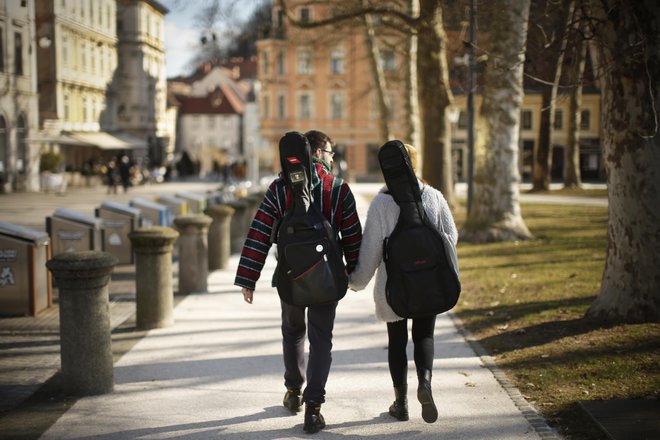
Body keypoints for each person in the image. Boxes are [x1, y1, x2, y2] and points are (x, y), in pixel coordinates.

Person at [234, 130, 362, 434]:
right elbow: (354, 236)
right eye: (330, 153)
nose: (332, 159)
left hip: (290, 279)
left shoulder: (279, 189)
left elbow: (260, 233)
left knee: (292, 331)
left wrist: (248, 278)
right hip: (327, 279)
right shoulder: (338, 189)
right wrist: (355, 273)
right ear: (318, 153)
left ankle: (293, 392)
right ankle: (314, 407)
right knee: (321, 341)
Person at [348, 143, 458, 424]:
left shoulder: (382, 202)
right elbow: (451, 236)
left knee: (396, 342)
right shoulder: (433, 196)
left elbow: (371, 250)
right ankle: (425, 384)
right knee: (425, 335)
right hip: (429, 282)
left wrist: (357, 282)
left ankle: (401, 403)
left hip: (393, 286)